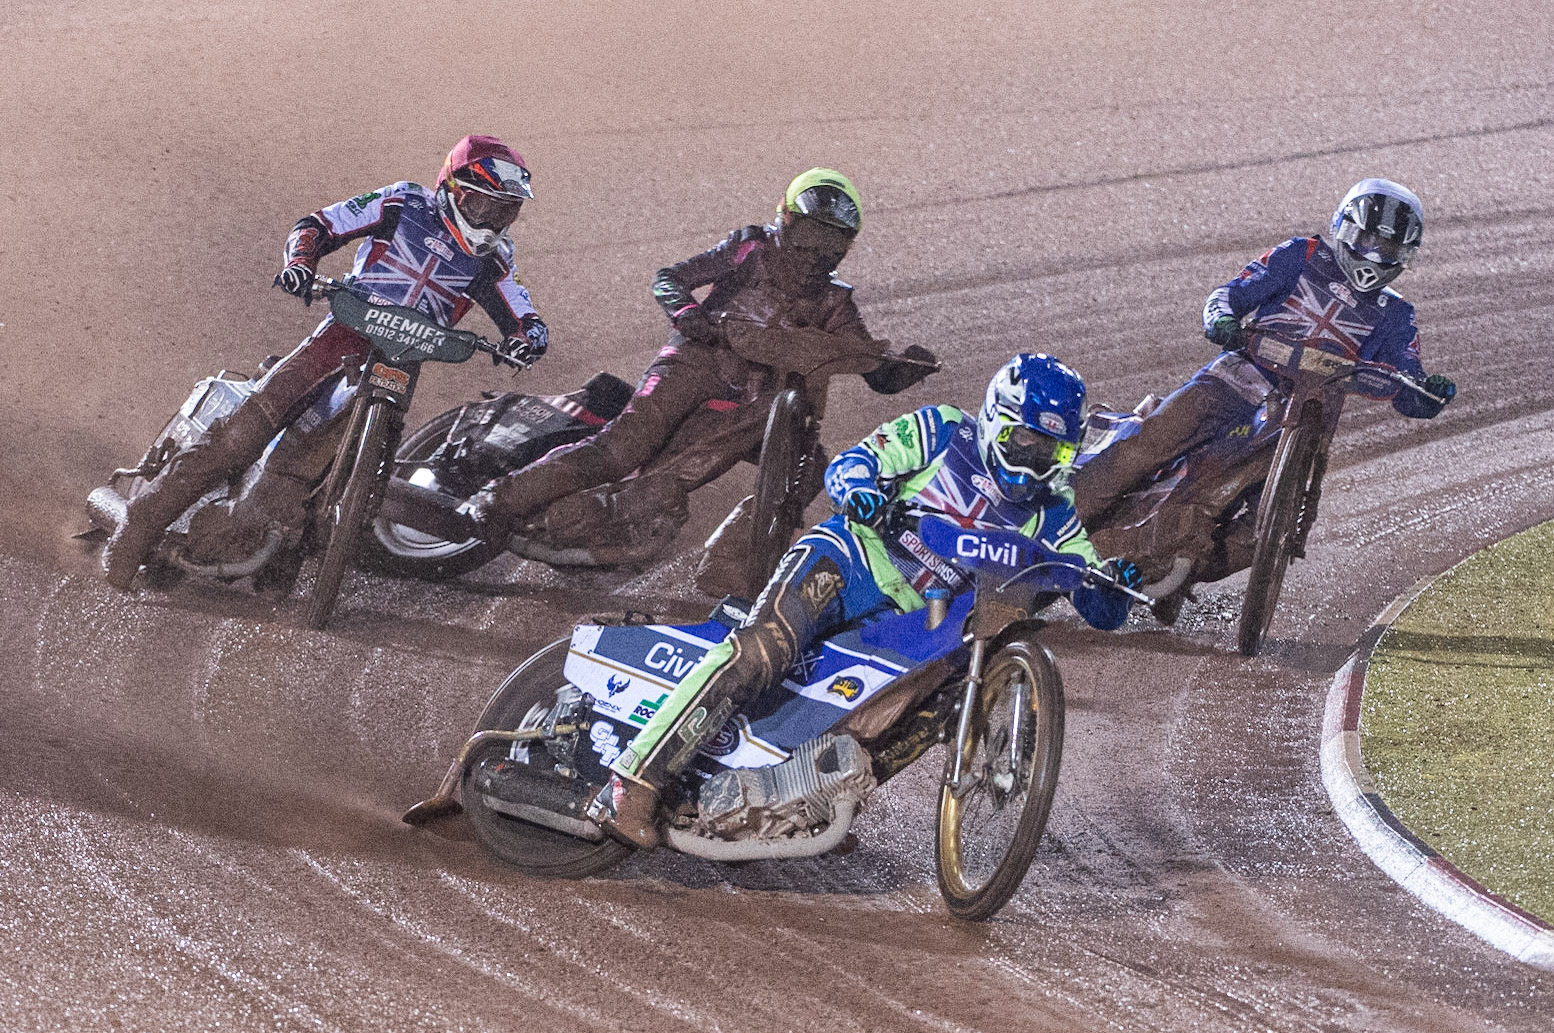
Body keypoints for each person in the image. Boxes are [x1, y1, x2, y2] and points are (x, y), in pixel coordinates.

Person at [586, 353, 1141, 848]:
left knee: (931, 705)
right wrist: (862, 489)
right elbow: (852, 464)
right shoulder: (944, 429)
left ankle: (808, 795)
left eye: (1054, 448)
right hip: (849, 559)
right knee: (762, 651)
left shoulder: (1057, 510)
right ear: (998, 420)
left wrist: (1110, 586)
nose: (1037, 458)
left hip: (918, 621)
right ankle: (633, 780)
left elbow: (1093, 591)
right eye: (1027, 440)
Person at [101, 135, 549, 590]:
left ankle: (285, 551)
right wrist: (300, 263)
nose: (492, 222)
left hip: (402, 362)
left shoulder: (495, 259)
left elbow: (521, 308)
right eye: (484, 207)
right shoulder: (403, 201)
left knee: (353, 466)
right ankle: (135, 528)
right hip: (339, 337)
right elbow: (318, 224)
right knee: (239, 437)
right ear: (453, 189)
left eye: (505, 212)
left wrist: (528, 337)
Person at [470, 167, 935, 540]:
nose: (819, 252)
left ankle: (743, 565)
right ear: (787, 219)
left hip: (750, 402)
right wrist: (687, 314)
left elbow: (865, 363)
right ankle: (497, 498)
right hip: (692, 361)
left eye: (833, 241)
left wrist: (900, 369)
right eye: (813, 234)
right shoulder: (751, 246)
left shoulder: (836, 300)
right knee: (621, 449)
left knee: (809, 466)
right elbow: (669, 278)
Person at [1073, 177, 1457, 544]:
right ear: (1343, 226)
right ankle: (1060, 523)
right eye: (1367, 238)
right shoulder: (1302, 254)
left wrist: (1428, 393)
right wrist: (1221, 320)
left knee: (1270, 529)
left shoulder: (1397, 314)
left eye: (1388, 248)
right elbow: (1230, 294)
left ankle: (1192, 556)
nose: (1374, 254)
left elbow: (1408, 381)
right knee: (1152, 438)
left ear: (1406, 255)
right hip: (1235, 379)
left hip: (1305, 420)